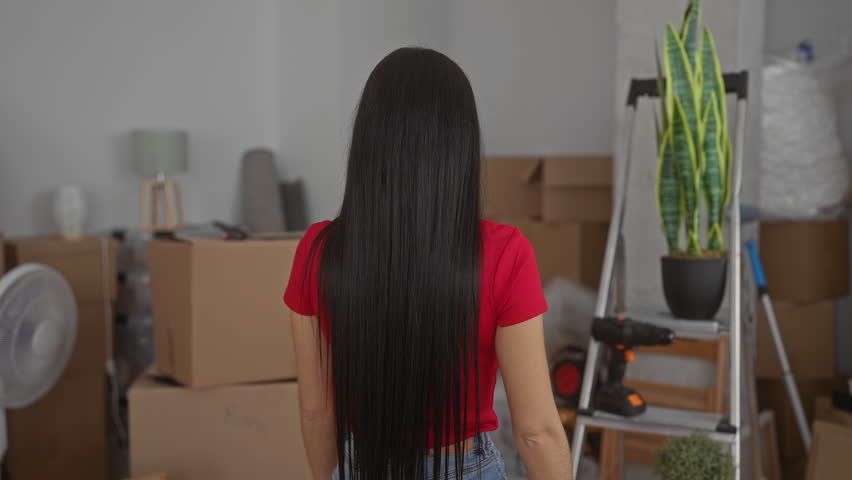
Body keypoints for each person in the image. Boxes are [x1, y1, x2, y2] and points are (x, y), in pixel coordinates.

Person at [284, 47, 571, 480]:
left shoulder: (317, 251)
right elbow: (536, 433)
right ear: (461, 142)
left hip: (364, 464)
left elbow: (315, 412)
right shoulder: (505, 253)